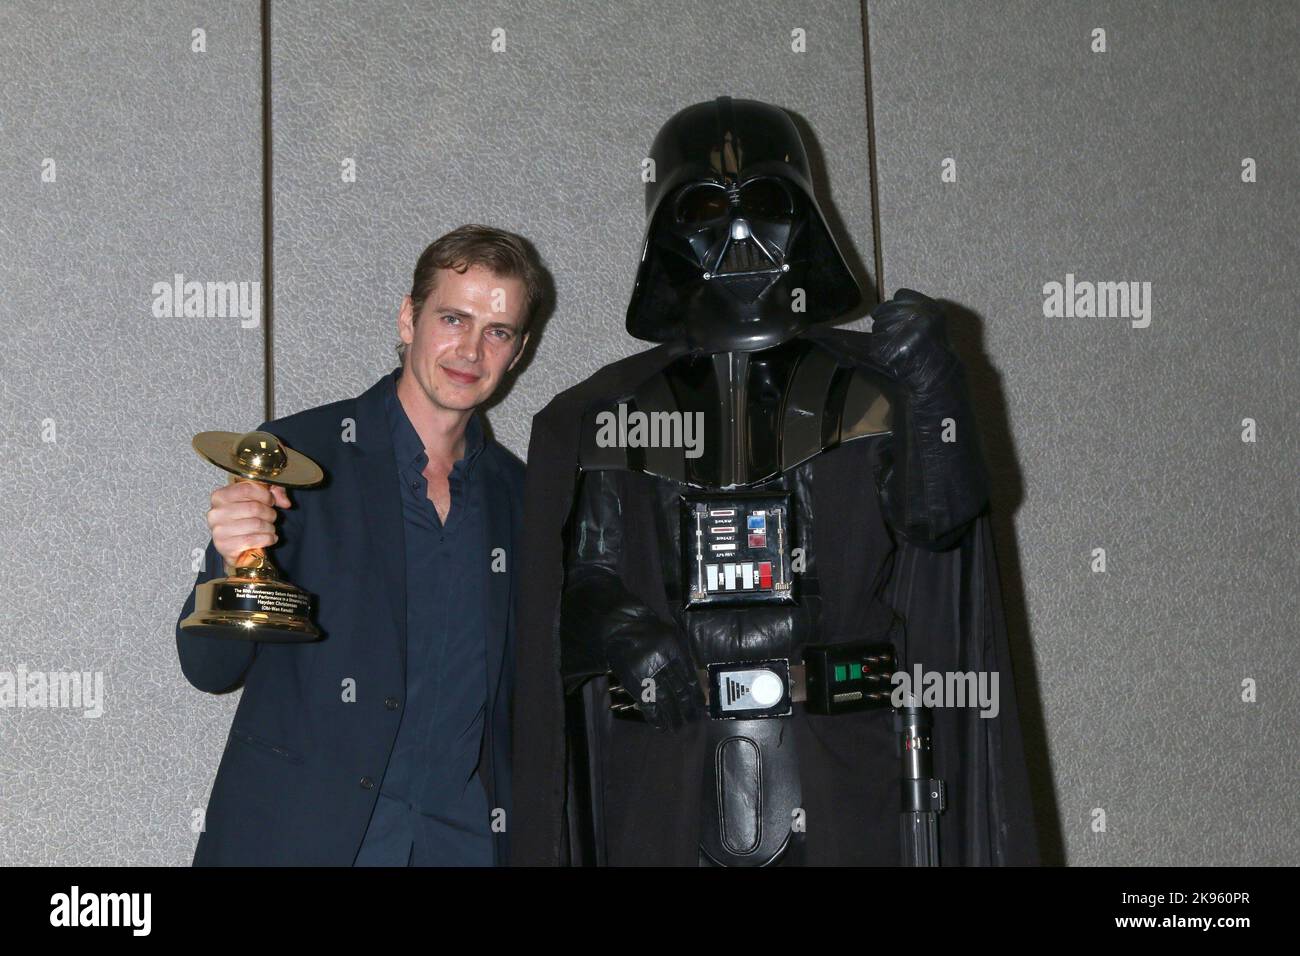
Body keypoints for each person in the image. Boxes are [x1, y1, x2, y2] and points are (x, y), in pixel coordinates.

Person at [510, 98, 1039, 865]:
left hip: (847, 775)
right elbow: (570, 588)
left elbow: (942, 527)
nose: (737, 232)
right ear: (666, 235)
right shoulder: (603, 418)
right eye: (703, 208)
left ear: (805, 218)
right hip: (669, 777)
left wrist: (932, 398)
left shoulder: (873, 394)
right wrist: (619, 630)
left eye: (764, 202)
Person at [175, 224, 546, 865]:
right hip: (302, 841)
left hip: (460, 847)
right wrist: (236, 561)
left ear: (518, 351)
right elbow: (211, 670)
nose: (471, 350)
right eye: (452, 318)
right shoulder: (298, 457)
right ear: (408, 318)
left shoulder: (524, 498)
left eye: (498, 331)